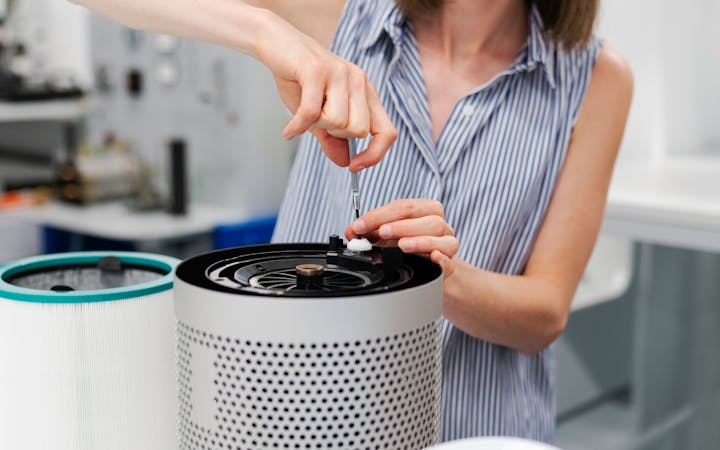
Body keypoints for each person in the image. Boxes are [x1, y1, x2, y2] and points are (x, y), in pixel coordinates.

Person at [71, 0, 633, 442]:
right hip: (288, 417)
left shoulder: (596, 78)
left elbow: (543, 316)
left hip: (472, 429)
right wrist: (266, 30)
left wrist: (441, 278)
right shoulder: (340, 13)